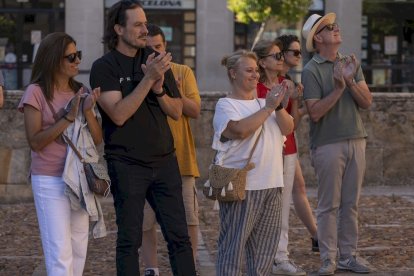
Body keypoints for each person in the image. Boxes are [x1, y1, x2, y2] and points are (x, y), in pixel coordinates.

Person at [89, 1, 196, 275]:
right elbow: (119, 115)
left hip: (164, 162)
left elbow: (176, 111)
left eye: (145, 23)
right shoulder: (104, 67)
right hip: (126, 164)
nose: (144, 29)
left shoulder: (155, 59)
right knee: (129, 241)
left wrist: (160, 89)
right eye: (137, 24)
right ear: (118, 28)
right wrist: (149, 80)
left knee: (179, 238)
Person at [18, 32, 103, 276]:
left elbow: (97, 140)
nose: (77, 61)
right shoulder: (35, 92)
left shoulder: (81, 90)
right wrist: (68, 116)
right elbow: (35, 142)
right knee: (59, 253)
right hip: (49, 179)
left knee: (79, 249)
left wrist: (86, 111)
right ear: (54, 60)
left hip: (79, 179)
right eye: (71, 57)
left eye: (79, 55)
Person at [301, 13, 373, 275]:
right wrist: (339, 87)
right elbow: (315, 112)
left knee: (350, 204)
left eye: (335, 26)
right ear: (318, 38)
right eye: (329, 28)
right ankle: (327, 260)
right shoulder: (310, 70)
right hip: (327, 144)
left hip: (356, 139)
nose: (336, 29)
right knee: (328, 205)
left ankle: (348, 256)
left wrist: (351, 81)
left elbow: (367, 102)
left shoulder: (351, 62)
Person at [214, 49, 294, 276]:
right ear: (233, 74)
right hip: (242, 186)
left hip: (273, 184)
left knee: (264, 254)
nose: (255, 75)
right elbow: (239, 130)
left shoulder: (265, 102)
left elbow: (288, 128)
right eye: (249, 70)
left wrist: (277, 106)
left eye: (256, 70)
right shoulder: (225, 105)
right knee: (233, 249)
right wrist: (269, 107)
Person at [141, 23, 201, 276]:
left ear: (166, 48)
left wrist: (173, 89)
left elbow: (195, 110)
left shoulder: (182, 71)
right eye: (149, 49)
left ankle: (190, 266)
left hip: (181, 160)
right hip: (145, 161)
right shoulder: (137, 74)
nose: (154, 53)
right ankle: (152, 269)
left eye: (158, 47)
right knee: (145, 222)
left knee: (188, 219)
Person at [253, 39, 306, 276]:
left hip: (287, 149)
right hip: (263, 152)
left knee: (283, 205)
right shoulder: (254, 87)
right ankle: (259, 254)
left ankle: (280, 256)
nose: (281, 59)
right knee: (259, 205)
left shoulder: (286, 83)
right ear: (262, 62)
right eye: (276, 56)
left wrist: (295, 98)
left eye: (281, 55)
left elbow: (293, 123)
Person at [276, 34, 319, 254]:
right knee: (282, 198)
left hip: (289, 142)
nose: (300, 55)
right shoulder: (276, 80)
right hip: (279, 146)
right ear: (281, 54)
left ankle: (316, 235)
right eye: (295, 52)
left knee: (299, 189)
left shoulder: (289, 80)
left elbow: (293, 122)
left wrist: (300, 104)